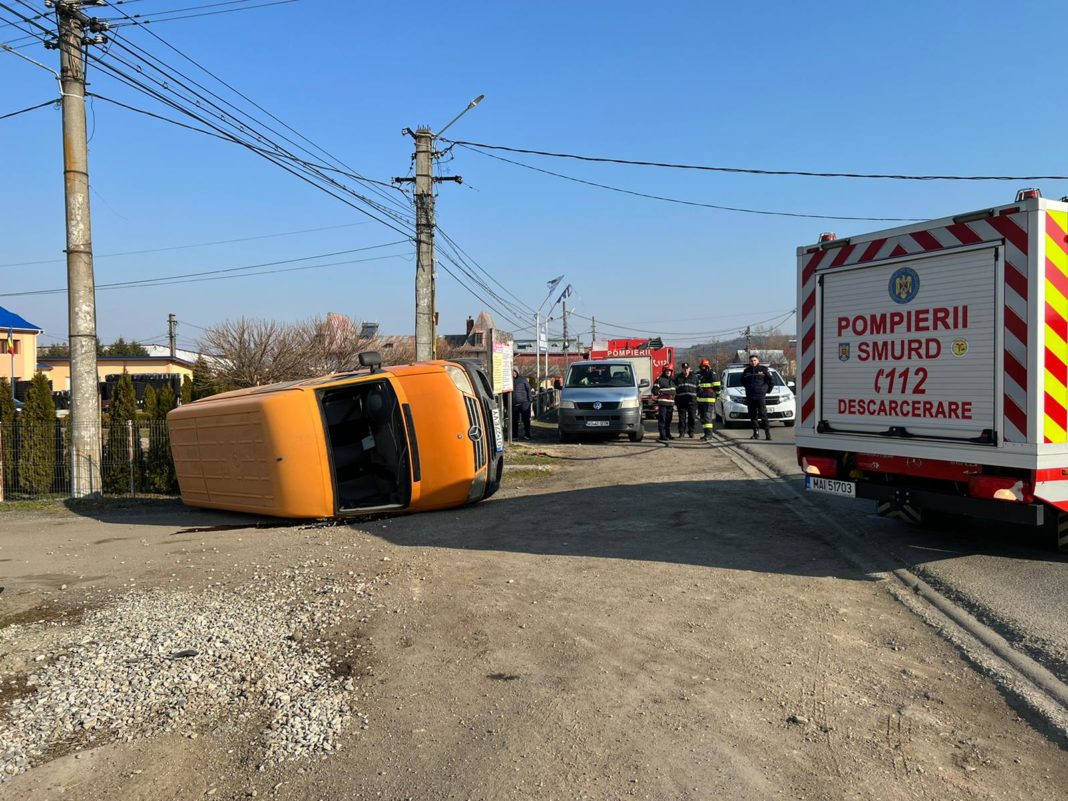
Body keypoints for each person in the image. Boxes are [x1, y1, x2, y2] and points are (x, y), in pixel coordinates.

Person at [741, 354, 774, 440]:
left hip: (760, 396)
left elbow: (771, 381)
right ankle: (756, 433)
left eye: (755, 360)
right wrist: (749, 388)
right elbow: (742, 381)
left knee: (763, 415)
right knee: (753, 416)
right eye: (751, 361)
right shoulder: (746, 371)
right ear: (749, 362)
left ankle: (767, 433)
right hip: (750, 396)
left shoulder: (763, 369)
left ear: (758, 361)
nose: (753, 362)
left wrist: (766, 390)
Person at [696, 359, 721, 440]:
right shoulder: (699, 375)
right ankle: (706, 433)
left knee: (707, 417)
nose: (703, 368)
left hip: (709, 399)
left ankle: (709, 435)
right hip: (701, 400)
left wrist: (716, 396)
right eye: (702, 366)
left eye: (704, 366)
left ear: (708, 366)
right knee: (703, 418)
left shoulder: (713, 375)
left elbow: (717, 388)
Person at [652, 364, 677, 443]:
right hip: (663, 403)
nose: (668, 372)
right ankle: (662, 435)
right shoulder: (659, 380)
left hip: (671, 403)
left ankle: (667, 434)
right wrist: (658, 391)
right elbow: (654, 391)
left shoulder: (673, 380)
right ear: (664, 371)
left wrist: (664, 391)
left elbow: (674, 391)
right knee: (662, 419)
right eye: (667, 371)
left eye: (669, 371)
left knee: (668, 420)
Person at [674, 362, 698, 438]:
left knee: (692, 417)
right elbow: (673, 388)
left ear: (689, 369)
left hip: (692, 401)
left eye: (687, 369)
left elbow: (699, 388)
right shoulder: (678, 378)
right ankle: (681, 432)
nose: (686, 370)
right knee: (681, 419)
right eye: (684, 369)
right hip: (681, 402)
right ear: (682, 369)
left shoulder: (694, 377)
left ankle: (691, 432)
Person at [512, 369, 532, 440]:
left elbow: (528, 389)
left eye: (514, 372)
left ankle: (527, 434)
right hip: (514, 404)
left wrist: (529, 400)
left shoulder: (523, 379)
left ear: (517, 372)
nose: (513, 374)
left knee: (526, 419)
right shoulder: (508, 382)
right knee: (514, 420)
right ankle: (515, 435)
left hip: (524, 402)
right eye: (512, 372)